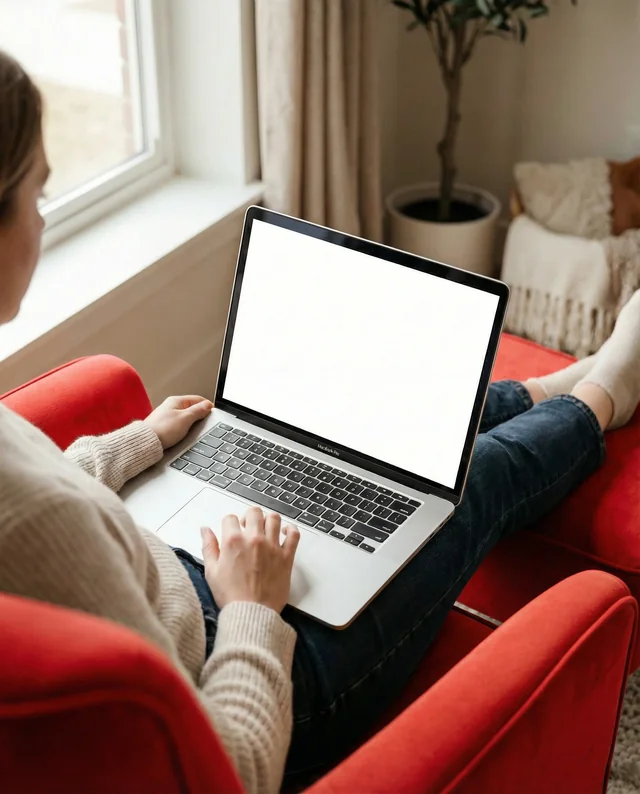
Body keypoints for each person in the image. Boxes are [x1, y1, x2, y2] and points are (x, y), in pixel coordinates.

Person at [1, 49, 639, 794]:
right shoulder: (38, 525)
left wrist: (137, 441)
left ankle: (538, 392)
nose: (42, 217)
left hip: (181, 565)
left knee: (389, 432)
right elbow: (233, 771)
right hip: (264, 671)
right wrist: (251, 605)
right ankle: (607, 393)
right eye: (38, 194)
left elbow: (37, 487)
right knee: (472, 483)